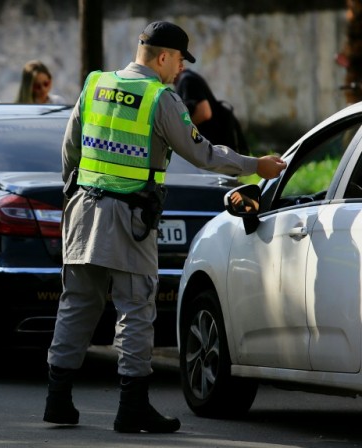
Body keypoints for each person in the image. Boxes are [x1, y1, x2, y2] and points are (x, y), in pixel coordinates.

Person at [44, 21, 287, 432]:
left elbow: (70, 149)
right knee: (136, 309)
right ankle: (132, 406)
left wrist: (75, 197)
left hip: (84, 213)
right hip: (129, 218)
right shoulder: (160, 98)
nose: (179, 70)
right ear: (162, 57)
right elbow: (202, 153)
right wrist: (253, 166)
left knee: (76, 304)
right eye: (178, 60)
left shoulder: (96, 84)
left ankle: (58, 399)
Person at [174, 68, 249, 155]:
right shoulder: (183, 80)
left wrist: (183, 129)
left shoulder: (187, 80)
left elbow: (205, 113)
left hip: (218, 142)